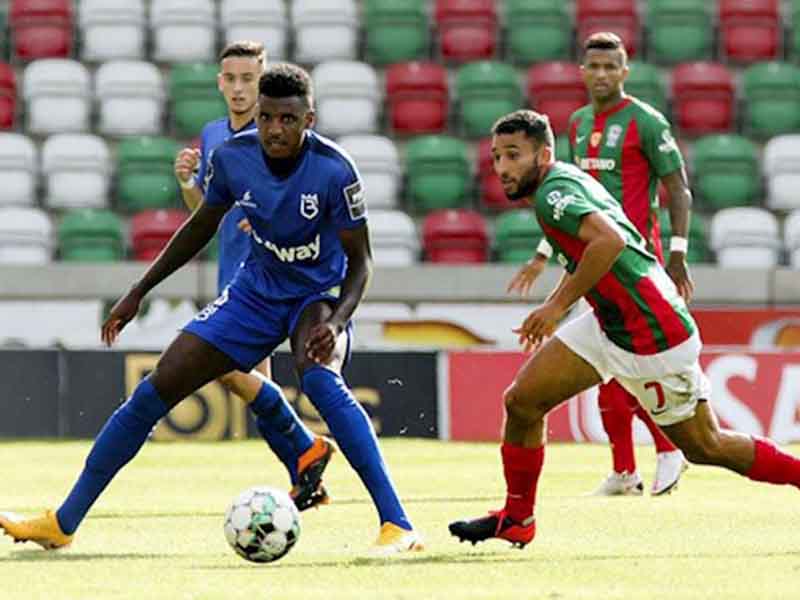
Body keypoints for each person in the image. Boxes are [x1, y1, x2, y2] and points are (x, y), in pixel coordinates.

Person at [0, 63, 422, 556]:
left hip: (318, 294)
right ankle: (63, 522)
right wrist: (140, 289)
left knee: (319, 379)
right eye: (266, 118)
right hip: (256, 291)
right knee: (158, 385)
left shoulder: (335, 170)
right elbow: (200, 226)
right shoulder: (233, 157)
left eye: (287, 120)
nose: (273, 130)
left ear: (309, 119)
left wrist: (337, 319)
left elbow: (362, 261)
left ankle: (398, 524)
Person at [449, 109, 800, 548]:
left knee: (705, 446)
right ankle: (517, 517)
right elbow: (588, 252)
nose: (502, 168)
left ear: (544, 154)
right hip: (612, 321)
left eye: (514, 155)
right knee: (522, 402)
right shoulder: (565, 180)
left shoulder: (552, 196)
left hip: (651, 333)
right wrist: (555, 303)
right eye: (497, 157)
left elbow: (609, 242)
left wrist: (557, 306)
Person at [507, 32, 692, 496]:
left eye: (613, 67)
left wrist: (678, 253)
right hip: (589, 257)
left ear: (625, 71)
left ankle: (667, 450)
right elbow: (567, 199)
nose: (603, 74)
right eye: (595, 66)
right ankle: (627, 469)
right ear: (582, 72)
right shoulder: (576, 124)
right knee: (609, 363)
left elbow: (678, 189)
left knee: (623, 361)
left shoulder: (646, 122)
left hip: (630, 257)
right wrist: (544, 254)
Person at [173, 40, 328, 506]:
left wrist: (270, 216)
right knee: (247, 381)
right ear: (220, 83)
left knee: (243, 376)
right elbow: (207, 214)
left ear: (263, 82)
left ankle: (308, 453)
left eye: (249, 79)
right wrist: (186, 183)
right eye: (231, 79)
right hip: (236, 276)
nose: (239, 88)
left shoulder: (282, 135)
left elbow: (309, 197)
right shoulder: (214, 134)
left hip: (282, 275)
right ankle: (308, 471)